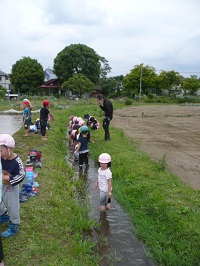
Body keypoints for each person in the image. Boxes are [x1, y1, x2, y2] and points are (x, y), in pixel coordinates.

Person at [0, 134, 25, 238]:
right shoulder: (1, 157)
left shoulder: (17, 162)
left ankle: (14, 224)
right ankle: (3, 215)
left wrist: (9, 179)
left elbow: (22, 175)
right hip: (1, 184)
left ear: (10, 149)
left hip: (11, 187)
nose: (0, 154)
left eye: (1, 151)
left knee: (13, 206)